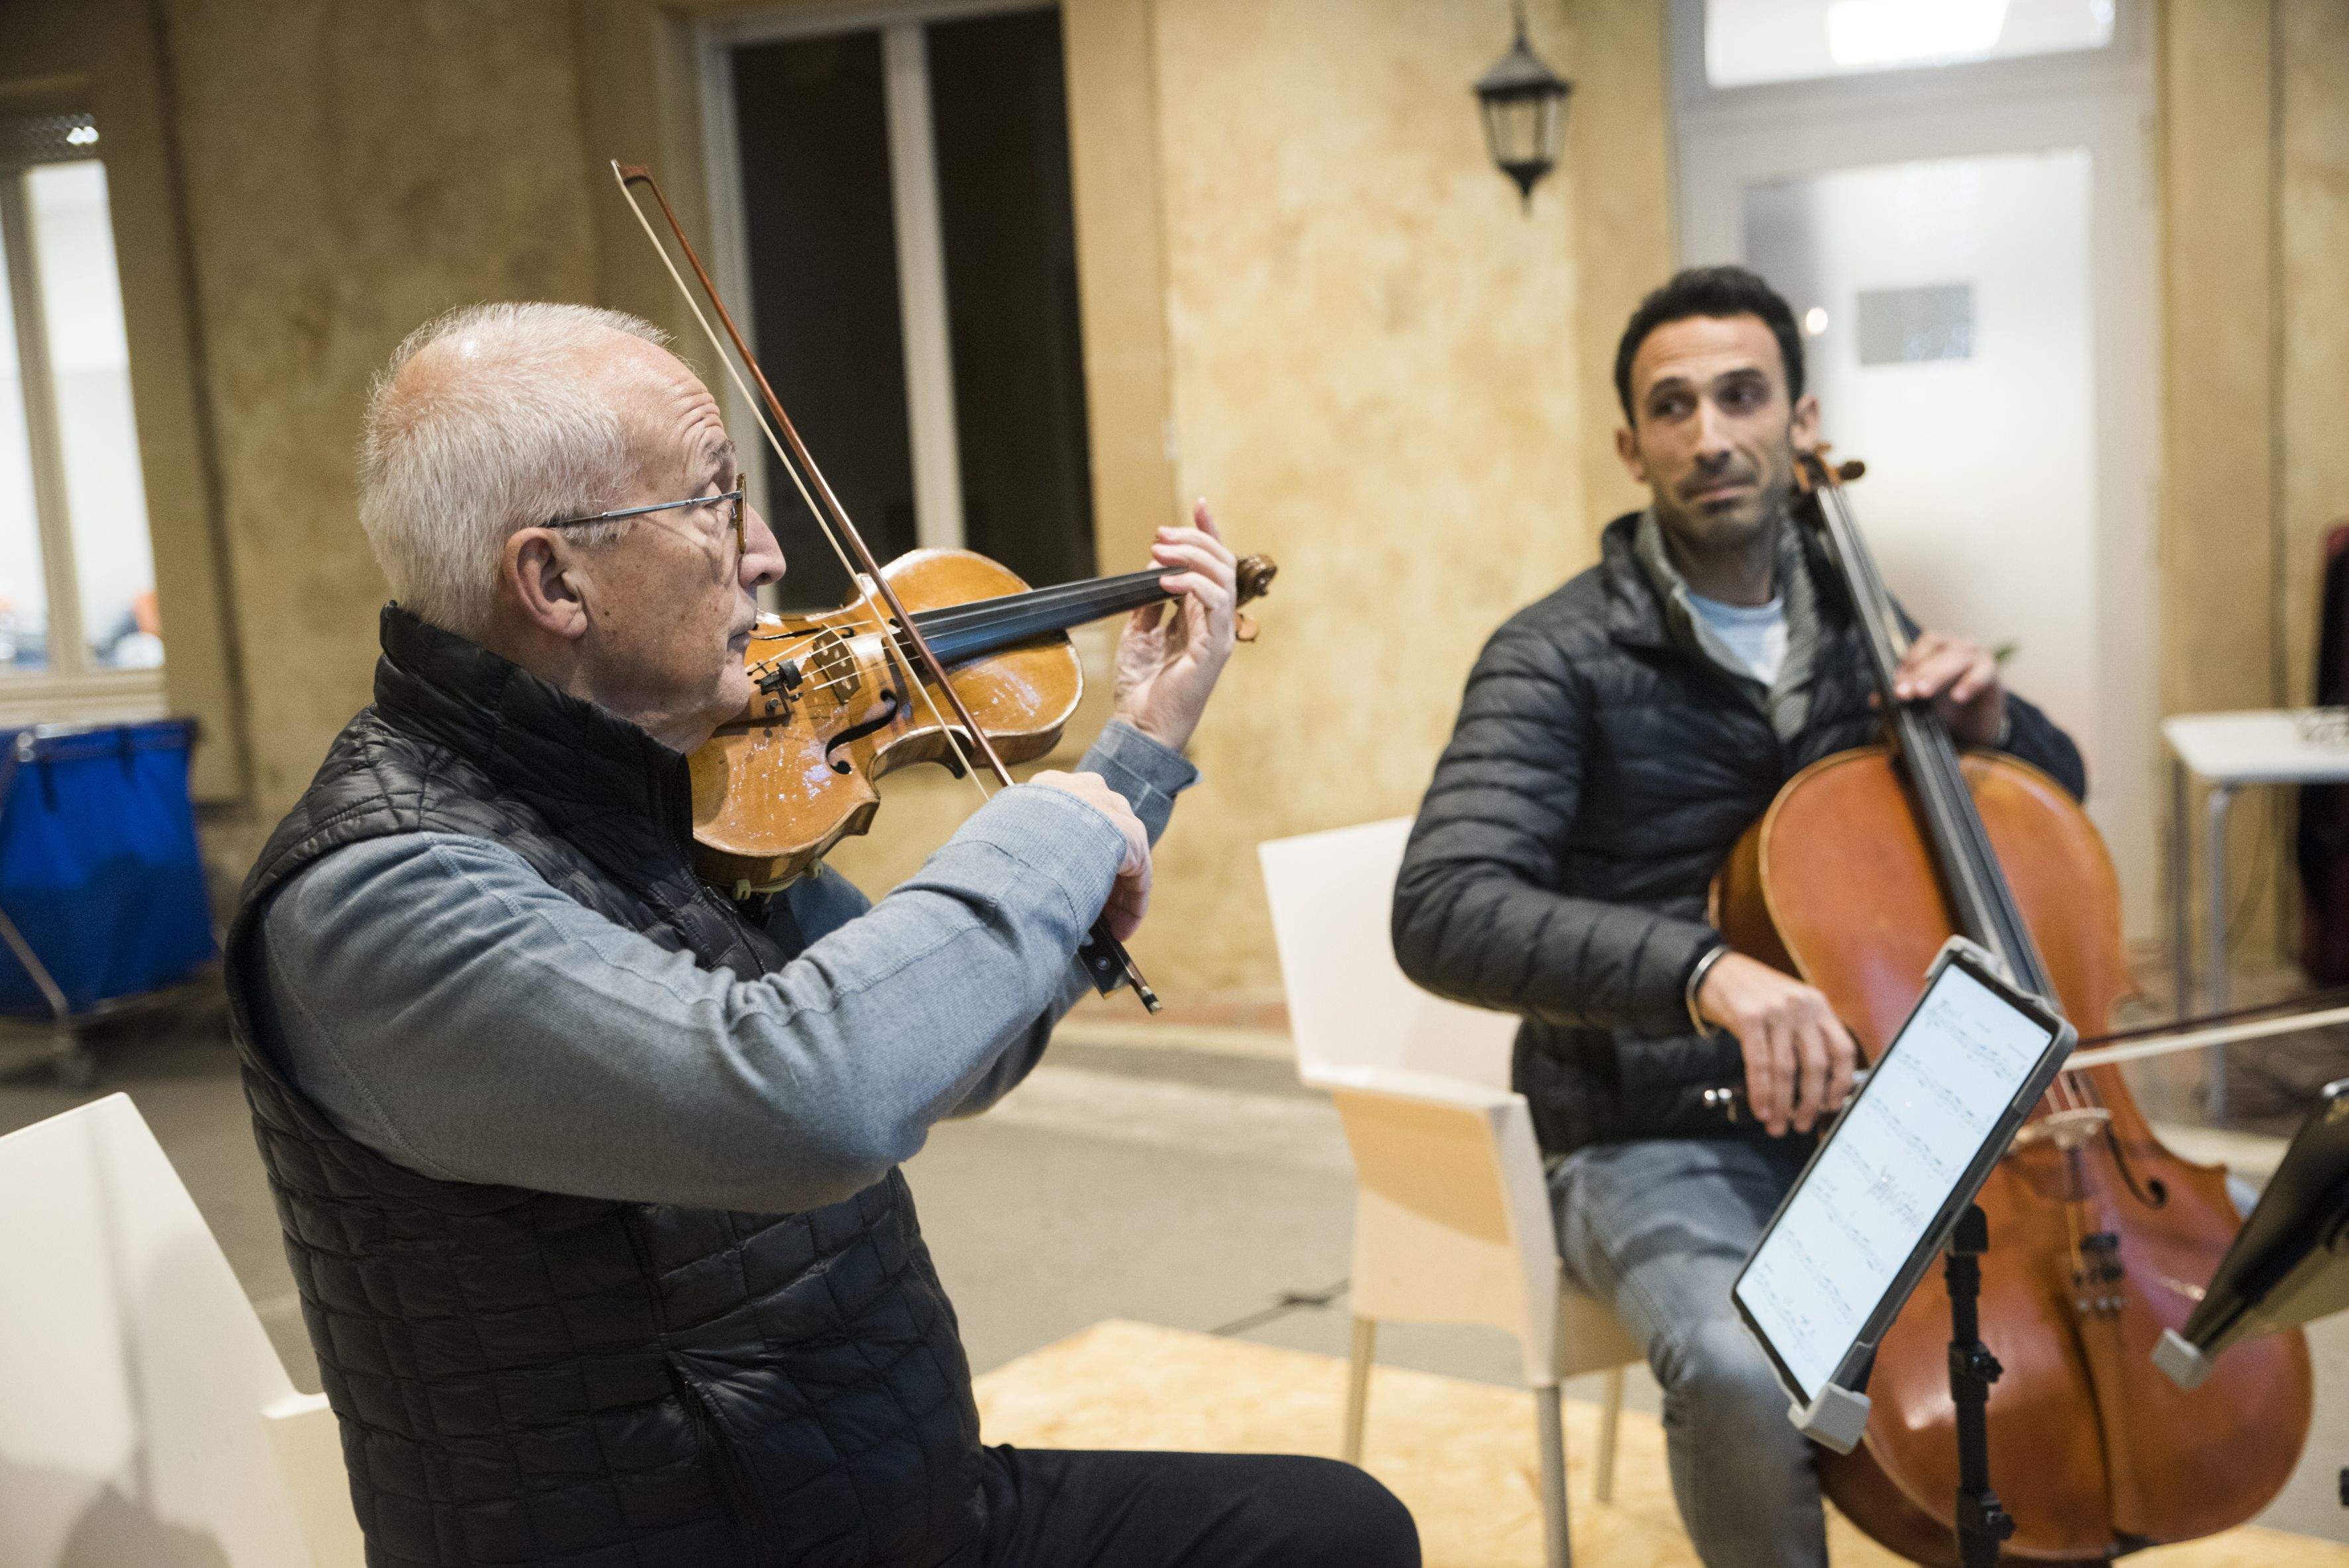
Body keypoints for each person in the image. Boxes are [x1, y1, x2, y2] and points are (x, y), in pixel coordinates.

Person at [224, 302, 1417, 1568]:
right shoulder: (378, 896)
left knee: (1326, 1531)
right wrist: (1051, 840)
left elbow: (952, 1058)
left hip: (878, 1510)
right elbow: (815, 1092)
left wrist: (1135, 757)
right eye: (713, 501)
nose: (769, 552)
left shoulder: (673, 783)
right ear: (553, 581)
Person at [1390, 266, 2084, 1568]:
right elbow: (1443, 909)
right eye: (1672, 406)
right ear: (1629, 444)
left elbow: (2042, 815)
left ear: (1797, 421)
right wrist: (1704, 971)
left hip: (1867, 1115)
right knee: (1736, 1356)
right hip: (1648, 1127)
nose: (1709, 434)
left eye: (1739, 396)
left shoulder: (1861, 620)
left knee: (2047, 1325)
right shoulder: (1553, 654)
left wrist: (2001, 726)